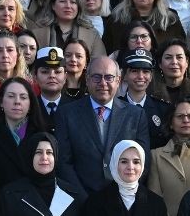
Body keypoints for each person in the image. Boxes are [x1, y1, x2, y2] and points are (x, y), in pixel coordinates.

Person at [55, 55, 149, 193]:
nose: (103, 83)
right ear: (87, 80)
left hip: (122, 197)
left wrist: (124, 194)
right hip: (81, 198)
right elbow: (63, 162)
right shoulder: (67, 114)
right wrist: (83, 198)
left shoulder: (136, 115)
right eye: (96, 77)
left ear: (118, 81)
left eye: (109, 77)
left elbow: (143, 161)